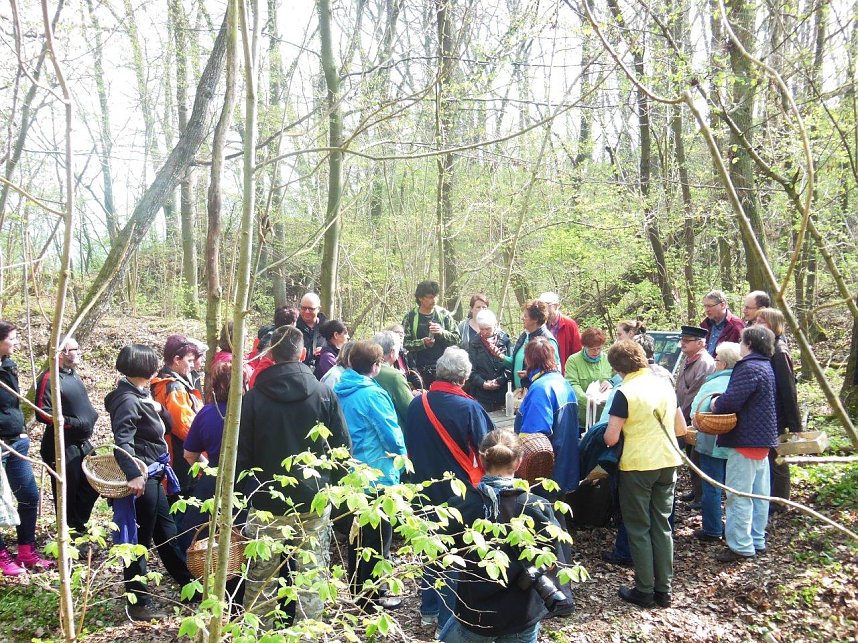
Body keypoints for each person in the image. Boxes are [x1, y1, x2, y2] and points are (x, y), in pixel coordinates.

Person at [236, 325, 350, 624]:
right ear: (302, 353)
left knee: (262, 579)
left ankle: (259, 632)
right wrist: (330, 488)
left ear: (270, 355)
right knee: (311, 577)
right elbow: (342, 449)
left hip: (266, 500)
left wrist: (239, 496)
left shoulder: (253, 399)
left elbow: (240, 454)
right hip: (311, 499)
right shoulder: (323, 393)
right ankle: (308, 631)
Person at [438, 429, 573, 643]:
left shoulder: (462, 507)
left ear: (481, 459)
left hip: (475, 613)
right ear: (519, 462)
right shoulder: (536, 506)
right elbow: (551, 558)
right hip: (522, 613)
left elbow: (440, 554)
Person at [404, 347, 494, 629]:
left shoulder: (417, 404)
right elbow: (489, 451)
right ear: (464, 377)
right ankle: (448, 621)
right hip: (460, 495)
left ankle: (428, 610)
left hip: (421, 490)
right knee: (455, 555)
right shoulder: (469, 407)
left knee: (431, 552)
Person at [105, 344, 195, 621]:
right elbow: (122, 442)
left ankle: (189, 586)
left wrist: (156, 407)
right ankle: (138, 602)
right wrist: (134, 474)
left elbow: (165, 426)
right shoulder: (128, 401)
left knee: (166, 535)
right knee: (139, 541)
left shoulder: (139, 394)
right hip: (144, 479)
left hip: (155, 475)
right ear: (143, 368)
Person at [604, 340, 685, 608]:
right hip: (668, 462)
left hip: (638, 465)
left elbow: (611, 438)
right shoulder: (665, 385)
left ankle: (645, 590)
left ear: (617, 368)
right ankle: (665, 590)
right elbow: (681, 428)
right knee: (662, 526)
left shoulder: (624, 392)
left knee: (639, 528)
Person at [333, 341, 407, 611]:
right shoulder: (372, 395)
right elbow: (391, 435)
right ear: (376, 366)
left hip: (352, 475)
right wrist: (402, 459)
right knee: (377, 539)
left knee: (358, 536)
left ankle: (358, 589)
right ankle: (373, 598)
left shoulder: (339, 389)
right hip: (376, 476)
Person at [710, 326, 778, 562]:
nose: (739, 344)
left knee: (739, 494)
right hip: (762, 440)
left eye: (741, 341)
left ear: (749, 344)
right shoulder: (766, 365)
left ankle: (740, 545)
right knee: (759, 494)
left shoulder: (748, 367)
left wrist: (715, 403)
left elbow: (731, 401)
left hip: (746, 440)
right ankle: (756, 539)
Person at [0, 321, 53, 576]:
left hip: (16, 441)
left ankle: (26, 550)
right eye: (12, 338)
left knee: (29, 496)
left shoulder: (8, 365)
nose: (17, 342)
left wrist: (21, 430)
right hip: (0, 443)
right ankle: (1, 556)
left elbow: (12, 403)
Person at [35, 337, 99, 534]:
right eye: (74, 349)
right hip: (62, 444)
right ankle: (67, 536)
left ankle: (78, 527)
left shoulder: (72, 374)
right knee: (67, 493)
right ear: (61, 353)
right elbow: (42, 412)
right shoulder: (49, 377)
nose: (78, 352)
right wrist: (73, 423)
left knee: (92, 484)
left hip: (82, 443)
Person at [690, 342, 741, 541]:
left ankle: (712, 529)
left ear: (724, 363)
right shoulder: (741, 383)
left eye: (717, 359)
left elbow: (696, 412)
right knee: (735, 487)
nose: (715, 362)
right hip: (736, 443)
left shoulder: (711, 384)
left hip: (711, 443)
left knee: (711, 486)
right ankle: (735, 530)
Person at [516, 338, 579, 497]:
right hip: (565, 465)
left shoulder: (540, 388)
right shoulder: (563, 383)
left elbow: (534, 438)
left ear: (528, 360)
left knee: (546, 517)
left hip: (545, 473)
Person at [755, 308, 801, 504]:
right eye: (756, 320)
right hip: (766, 412)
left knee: (778, 458)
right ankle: (771, 496)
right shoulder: (766, 347)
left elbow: (788, 389)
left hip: (777, 414)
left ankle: (781, 500)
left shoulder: (779, 351)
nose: (756, 324)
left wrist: (795, 425)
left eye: (762, 321)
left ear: (773, 325)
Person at [150, 334, 204, 497]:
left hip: (172, 449)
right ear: (177, 360)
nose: (192, 366)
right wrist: (204, 441)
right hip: (180, 454)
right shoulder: (174, 387)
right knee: (183, 498)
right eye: (189, 361)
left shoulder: (163, 380)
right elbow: (184, 426)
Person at [675, 325, 716, 506]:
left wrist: (681, 415)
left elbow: (695, 394)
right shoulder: (689, 358)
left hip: (696, 417)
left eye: (687, 341)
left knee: (697, 457)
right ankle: (696, 490)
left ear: (700, 343)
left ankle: (701, 497)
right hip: (684, 415)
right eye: (682, 340)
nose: (683, 343)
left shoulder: (705, 363)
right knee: (692, 455)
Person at [403, 280, 460, 387]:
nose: (434, 300)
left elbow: (457, 339)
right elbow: (404, 344)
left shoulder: (444, 315)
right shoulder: (410, 317)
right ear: (420, 298)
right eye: (430, 297)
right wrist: (422, 343)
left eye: (435, 296)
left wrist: (442, 332)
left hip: (444, 368)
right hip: (418, 368)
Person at [564, 327, 612, 431]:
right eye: (592, 349)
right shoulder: (573, 360)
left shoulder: (608, 359)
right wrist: (585, 399)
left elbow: (617, 378)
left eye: (599, 348)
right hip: (580, 416)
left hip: (602, 416)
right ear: (584, 346)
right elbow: (572, 384)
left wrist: (609, 382)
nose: (596, 352)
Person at [505, 299, 559, 390]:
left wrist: (530, 373)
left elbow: (555, 370)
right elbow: (516, 363)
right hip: (519, 392)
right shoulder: (524, 335)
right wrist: (500, 357)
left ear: (535, 319)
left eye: (525, 316)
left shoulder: (548, 340)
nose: (522, 318)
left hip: (537, 392)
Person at [466, 309, 512, 411]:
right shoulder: (474, 343)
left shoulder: (505, 340)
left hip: (502, 393)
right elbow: (471, 371)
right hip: (481, 395)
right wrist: (483, 384)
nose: (485, 332)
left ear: (495, 325)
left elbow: (511, 365)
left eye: (488, 329)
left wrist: (499, 381)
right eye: (482, 329)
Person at [372, 331, 414, 431]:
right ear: (392, 352)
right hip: (393, 432)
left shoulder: (362, 369)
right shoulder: (395, 376)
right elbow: (410, 410)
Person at [539, 291, 582, 368]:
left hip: (565, 372)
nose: (542, 309)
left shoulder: (570, 325)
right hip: (544, 372)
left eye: (546, 305)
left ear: (556, 306)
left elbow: (577, 353)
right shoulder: (540, 325)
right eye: (541, 306)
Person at [701, 290, 745, 357]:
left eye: (710, 306)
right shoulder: (706, 325)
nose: (707, 310)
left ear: (722, 305)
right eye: (705, 306)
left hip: (726, 366)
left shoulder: (736, 325)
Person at [296, 292, 327, 368]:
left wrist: (326, 350)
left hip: (322, 373)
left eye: (311, 309)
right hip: (299, 371)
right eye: (304, 308)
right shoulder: (293, 327)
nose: (307, 311)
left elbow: (338, 352)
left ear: (318, 309)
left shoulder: (328, 327)